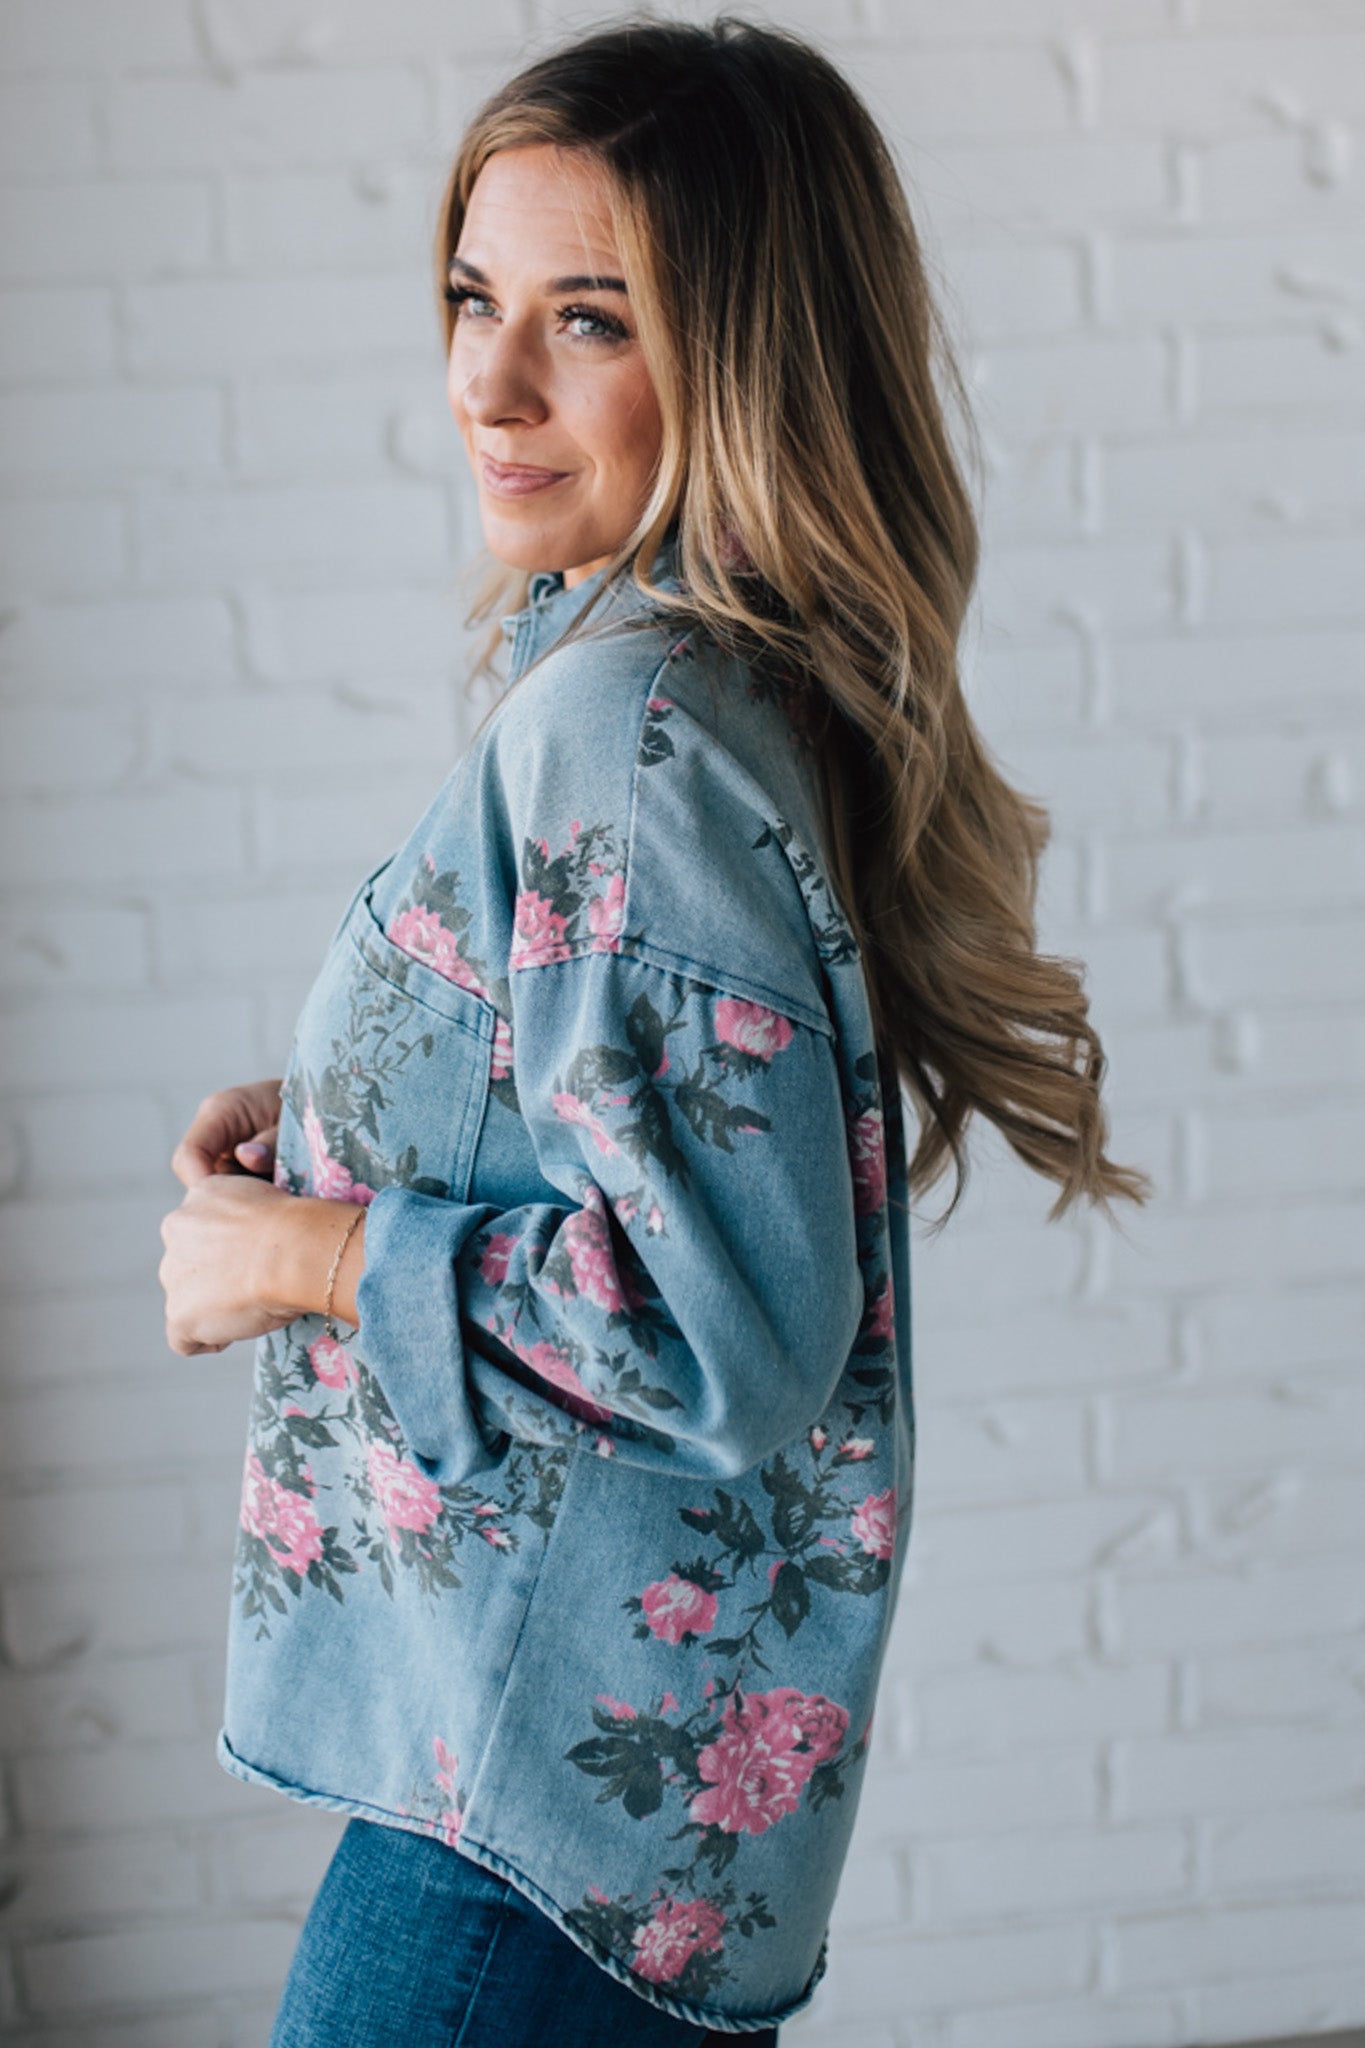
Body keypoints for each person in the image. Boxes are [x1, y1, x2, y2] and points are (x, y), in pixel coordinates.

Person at [158, 15, 1152, 2045]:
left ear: (742, 353)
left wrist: (317, 1257)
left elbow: (722, 1332)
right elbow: (638, 1123)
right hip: (544, 1817)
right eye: (470, 298)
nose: (486, 385)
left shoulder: (631, 728)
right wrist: (361, 1123)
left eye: (585, 321)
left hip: (515, 1856)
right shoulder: (655, 669)